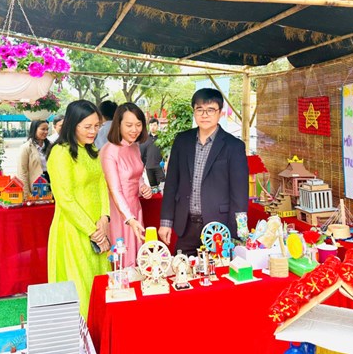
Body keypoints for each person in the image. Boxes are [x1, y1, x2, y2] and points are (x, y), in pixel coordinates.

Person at [158, 88, 248, 256]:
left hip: (219, 228)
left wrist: (239, 231)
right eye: (199, 109)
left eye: (210, 110)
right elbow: (171, 184)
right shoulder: (182, 140)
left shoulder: (234, 146)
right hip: (186, 225)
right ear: (194, 111)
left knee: (217, 271)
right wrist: (166, 222)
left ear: (220, 112)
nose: (204, 115)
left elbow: (239, 193)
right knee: (182, 267)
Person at [47, 100, 111, 320]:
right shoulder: (60, 153)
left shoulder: (91, 150)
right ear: (73, 124)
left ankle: (100, 330)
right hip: (73, 230)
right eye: (87, 126)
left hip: (97, 228)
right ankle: (82, 335)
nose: (93, 131)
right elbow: (65, 198)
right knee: (80, 285)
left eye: (97, 126)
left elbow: (101, 184)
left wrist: (104, 218)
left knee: (99, 282)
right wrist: (93, 231)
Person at [100, 103, 153, 267]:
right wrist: (129, 218)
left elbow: (137, 176)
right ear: (118, 124)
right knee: (123, 257)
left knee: (137, 255)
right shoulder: (109, 151)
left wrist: (143, 187)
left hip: (135, 207)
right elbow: (114, 189)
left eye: (138, 125)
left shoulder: (135, 147)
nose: (134, 130)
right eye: (129, 125)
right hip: (119, 212)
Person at [17, 120, 50, 197]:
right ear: (34, 129)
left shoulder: (50, 145)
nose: (46, 132)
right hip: (37, 184)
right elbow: (22, 172)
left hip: (51, 181)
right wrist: (26, 193)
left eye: (47, 129)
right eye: (43, 129)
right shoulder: (26, 148)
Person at [139, 117, 166, 188]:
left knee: (162, 187)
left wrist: (166, 162)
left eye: (154, 125)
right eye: (151, 125)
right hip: (149, 168)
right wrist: (142, 166)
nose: (152, 127)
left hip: (160, 167)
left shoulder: (162, 138)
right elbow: (142, 153)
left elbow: (166, 152)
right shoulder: (145, 139)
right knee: (153, 188)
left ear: (157, 126)